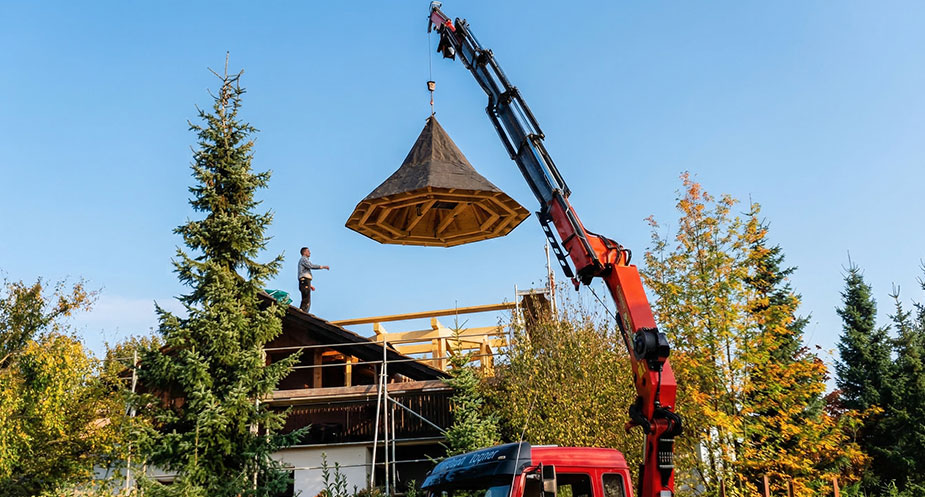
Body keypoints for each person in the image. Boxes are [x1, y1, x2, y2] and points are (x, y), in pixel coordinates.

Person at [297, 247, 330, 313]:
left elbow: (303, 273)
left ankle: (304, 312)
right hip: (304, 281)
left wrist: (310, 285)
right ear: (304, 252)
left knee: (307, 299)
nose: (310, 252)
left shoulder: (303, 260)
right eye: (308, 251)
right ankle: (302, 312)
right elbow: (310, 266)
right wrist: (322, 267)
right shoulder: (303, 259)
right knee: (306, 299)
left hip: (305, 281)